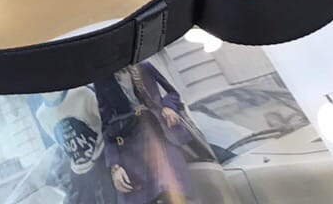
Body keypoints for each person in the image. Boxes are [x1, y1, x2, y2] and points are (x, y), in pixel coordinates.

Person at [95, 61, 237, 204]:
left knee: (175, 191)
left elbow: (173, 93)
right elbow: (107, 127)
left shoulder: (144, 67)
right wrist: (115, 166)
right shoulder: (102, 81)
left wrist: (168, 106)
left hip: (162, 135)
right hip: (132, 150)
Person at [9, 87, 118, 204]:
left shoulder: (82, 94)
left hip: (105, 164)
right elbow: (63, 146)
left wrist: (115, 163)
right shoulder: (42, 115)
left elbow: (109, 126)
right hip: (79, 178)